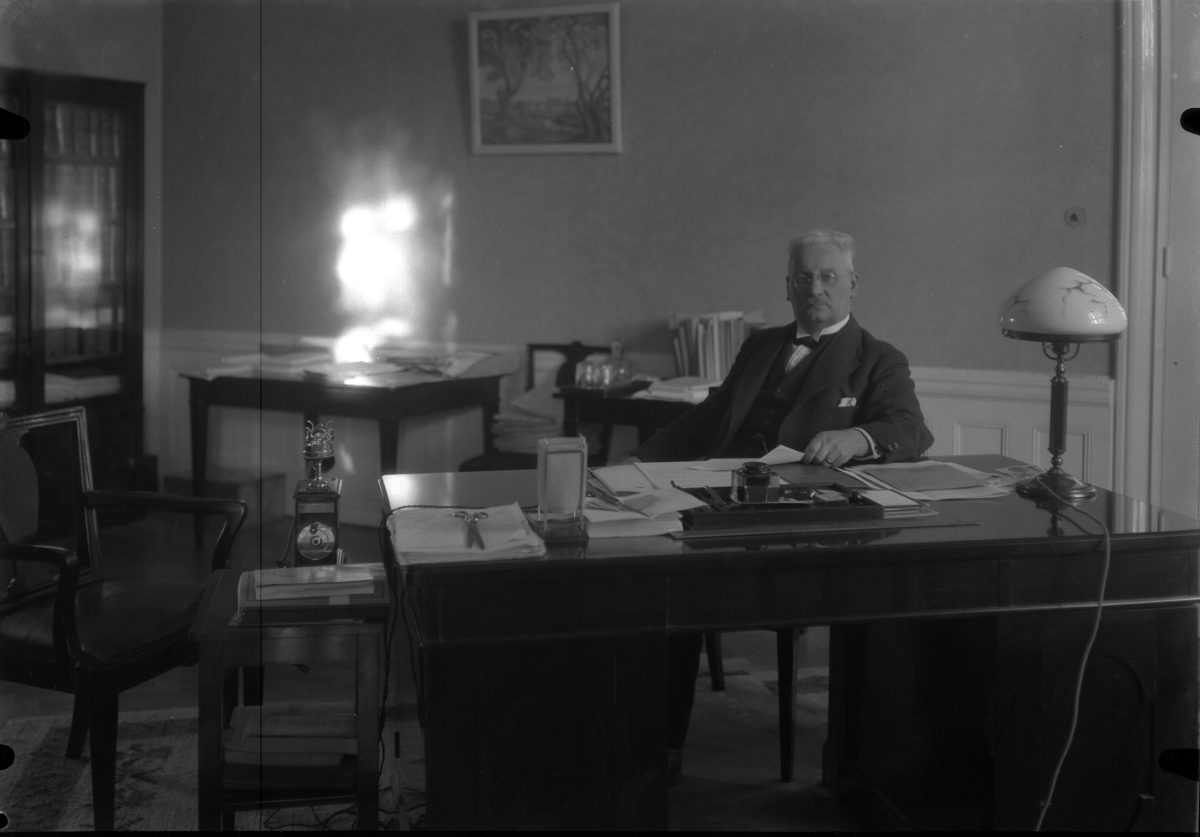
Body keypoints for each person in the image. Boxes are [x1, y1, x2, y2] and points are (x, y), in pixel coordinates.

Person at [626, 228, 934, 782]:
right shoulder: (760, 346)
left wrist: (857, 437)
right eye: (803, 277)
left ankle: (661, 746)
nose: (815, 288)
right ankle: (653, 748)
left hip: (793, 522)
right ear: (787, 286)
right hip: (712, 495)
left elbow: (910, 429)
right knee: (650, 576)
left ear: (853, 284)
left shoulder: (878, 358)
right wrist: (634, 463)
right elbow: (707, 419)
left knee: (676, 582)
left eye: (828, 276)